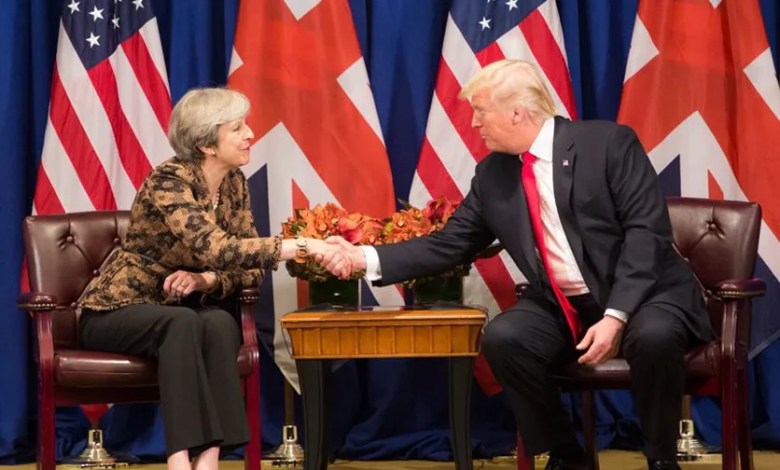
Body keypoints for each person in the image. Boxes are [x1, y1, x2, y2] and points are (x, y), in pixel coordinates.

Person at [327, 60, 714, 470]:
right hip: (564, 305)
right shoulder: (492, 174)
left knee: (653, 336)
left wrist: (616, 316)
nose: (474, 123)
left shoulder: (608, 145)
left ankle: (661, 458)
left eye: (481, 110)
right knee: (505, 338)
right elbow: (449, 244)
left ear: (516, 112)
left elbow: (646, 233)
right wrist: (361, 257)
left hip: (646, 294)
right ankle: (567, 457)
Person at [78, 88, 351, 470]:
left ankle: (208, 459)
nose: (250, 134)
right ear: (207, 144)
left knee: (221, 323)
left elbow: (249, 268)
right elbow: (218, 247)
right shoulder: (168, 181)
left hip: (180, 311)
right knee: (183, 322)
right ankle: (178, 460)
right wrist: (304, 246)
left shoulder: (234, 182)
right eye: (237, 128)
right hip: (115, 310)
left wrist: (206, 281)